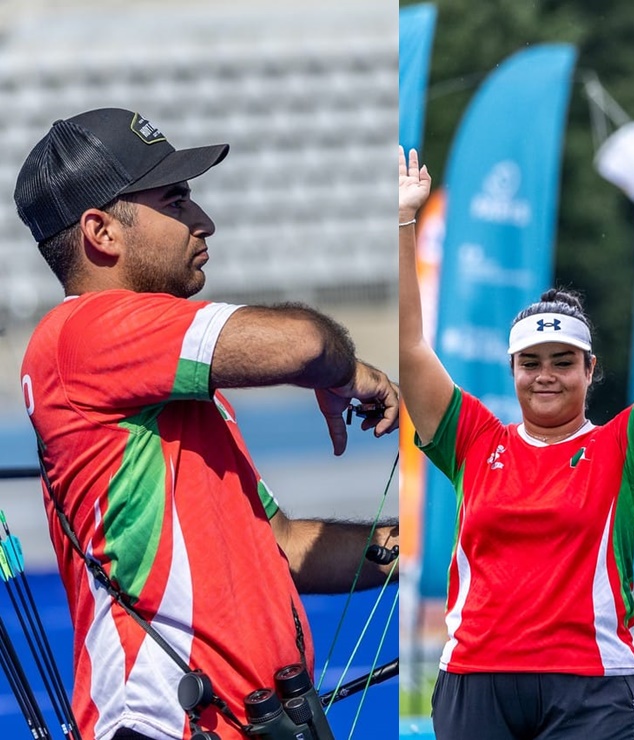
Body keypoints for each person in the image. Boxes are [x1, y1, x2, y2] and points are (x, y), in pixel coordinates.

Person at [14, 108, 400, 740]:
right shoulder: (83, 333)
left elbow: (281, 546)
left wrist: (431, 545)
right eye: (176, 199)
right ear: (102, 231)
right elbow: (303, 343)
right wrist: (344, 371)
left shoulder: (163, 378)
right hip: (165, 725)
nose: (203, 221)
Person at [398, 148, 634, 739]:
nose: (546, 374)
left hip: (591, 686)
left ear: (589, 370)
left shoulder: (624, 449)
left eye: (563, 361)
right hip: (476, 680)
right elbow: (409, 351)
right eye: (531, 362)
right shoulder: (473, 440)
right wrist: (405, 223)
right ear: (512, 369)